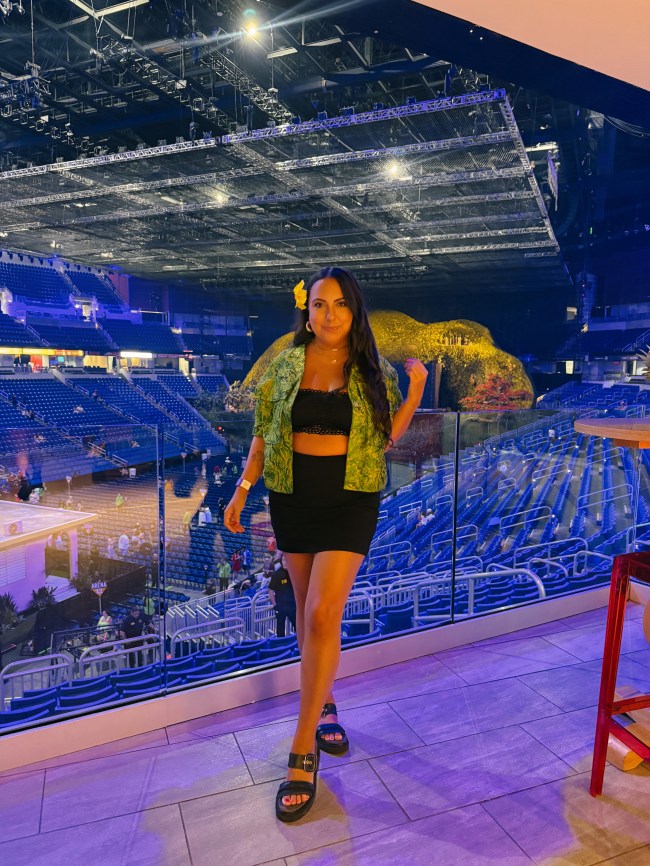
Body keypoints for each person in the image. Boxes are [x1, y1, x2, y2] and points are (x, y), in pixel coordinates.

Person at [225, 266, 426, 822]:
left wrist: (414, 395)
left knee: (320, 613)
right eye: (319, 304)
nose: (329, 313)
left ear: (353, 311)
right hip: (292, 498)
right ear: (307, 312)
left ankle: (303, 747)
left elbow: (384, 438)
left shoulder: (373, 369)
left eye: (340, 304)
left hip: (350, 500)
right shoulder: (285, 364)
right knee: (309, 615)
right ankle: (327, 702)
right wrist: (242, 489)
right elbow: (264, 433)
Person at [268, 554, 297, 638]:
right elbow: (270, 590)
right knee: (280, 630)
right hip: (280, 606)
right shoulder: (276, 574)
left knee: (297, 627)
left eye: (287, 560)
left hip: (292, 606)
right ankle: (281, 643)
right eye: (283, 560)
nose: (285, 562)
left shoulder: (294, 572)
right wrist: (274, 604)